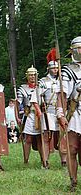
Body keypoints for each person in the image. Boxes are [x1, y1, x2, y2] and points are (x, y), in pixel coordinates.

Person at [56, 36, 81, 191]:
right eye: (78, 48)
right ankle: (73, 181)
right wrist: (60, 113)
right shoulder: (68, 70)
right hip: (75, 112)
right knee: (72, 148)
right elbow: (62, 95)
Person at [39, 58, 66, 168]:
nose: (55, 70)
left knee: (62, 136)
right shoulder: (43, 82)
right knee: (46, 137)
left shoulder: (63, 81)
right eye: (53, 68)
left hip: (61, 111)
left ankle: (64, 160)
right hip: (48, 112)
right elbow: (37, 98)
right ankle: (45, 161)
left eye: (56, 68)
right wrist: (40, 110)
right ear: (48, 69)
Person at [17, 65, 44, 167]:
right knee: (28, 139)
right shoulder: (22, 89)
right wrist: (18, 117)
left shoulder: (41, 87)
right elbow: (18, 104)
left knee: (40, 138)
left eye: (34, 75)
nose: (32, 77)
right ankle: (26, 160)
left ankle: (43, 159)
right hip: (29, 115)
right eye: (30, 75)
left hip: (40, 114)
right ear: (27, 76)